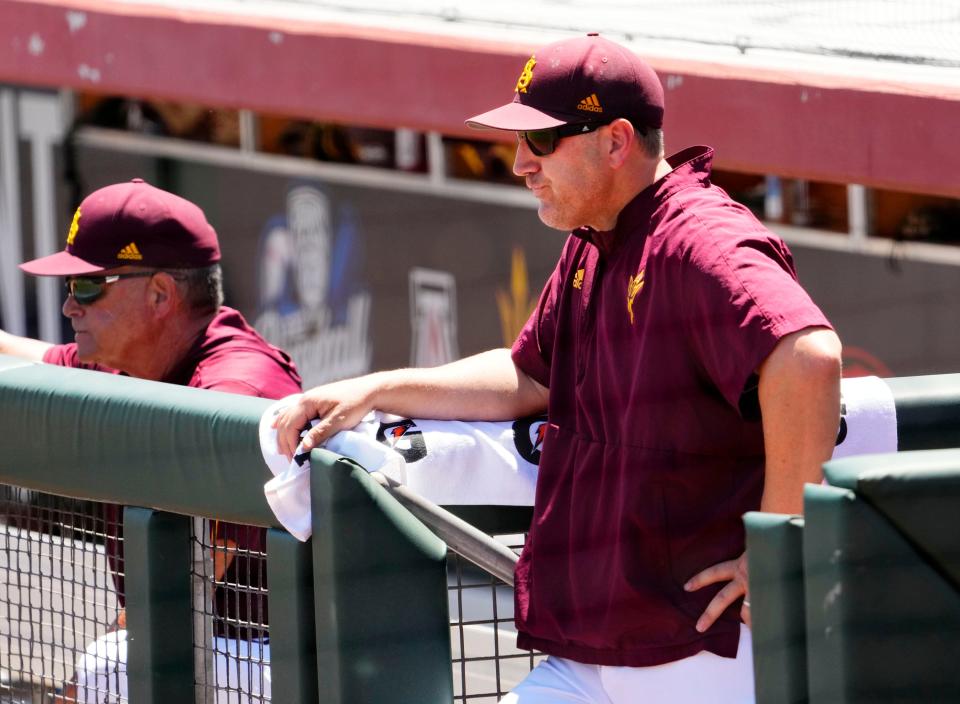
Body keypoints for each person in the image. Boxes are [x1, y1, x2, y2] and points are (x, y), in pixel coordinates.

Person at [274, 33, 841, 703]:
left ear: (616, 140)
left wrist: (779, 547)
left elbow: (808, 357)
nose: (520, 163)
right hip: (599, 646)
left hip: (697, 653)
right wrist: (378, 388)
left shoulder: (698, 240)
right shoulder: (594, 239)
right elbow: (532, 377)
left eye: (540, 141)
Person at [0, 178, 302, 703]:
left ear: (160, 294)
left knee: (109, 669)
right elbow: (26, 361)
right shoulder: (138, 360)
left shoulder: (233, 394)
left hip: (287, 666)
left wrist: (68, 697)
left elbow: (171, 599)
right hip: (214, 655)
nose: (71, 306)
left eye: (89, 287)